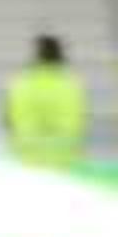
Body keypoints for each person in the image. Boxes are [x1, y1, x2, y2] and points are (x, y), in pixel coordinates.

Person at [6, 34, 87, 169]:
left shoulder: (21, 83)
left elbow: (10, 121)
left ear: (36, 56)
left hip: (27, 161)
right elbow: (78, 122)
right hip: (64, 162)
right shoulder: (72, 85)